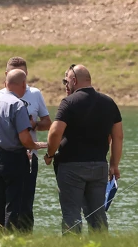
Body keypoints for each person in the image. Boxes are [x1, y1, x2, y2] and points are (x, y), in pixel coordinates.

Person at [46, 64, 123, 233]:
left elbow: (55, 132)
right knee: (98, 216)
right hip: (99, 167)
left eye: (66, 81)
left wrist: (50, 154)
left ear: (74, 80)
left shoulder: (69, 102)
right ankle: (101, 246)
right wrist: (114, 165)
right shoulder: (109, 103)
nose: (65, 85)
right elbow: (118, 137)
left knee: (71, 214)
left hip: (71, 168)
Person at [0, 68, 46, 231]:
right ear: (23, 84)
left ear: (6, 83)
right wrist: (35, 145)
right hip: (14, 159)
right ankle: (10, 239)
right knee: (14, 205)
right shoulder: (18, 104)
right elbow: (24, 138)